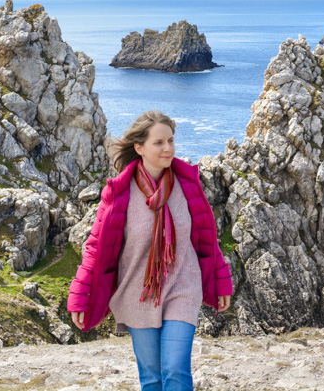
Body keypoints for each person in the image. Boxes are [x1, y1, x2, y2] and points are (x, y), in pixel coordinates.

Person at [67, 110, 233, 391]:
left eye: (171, 140)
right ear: (139, 147)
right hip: (137, 292)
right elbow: (95, 248)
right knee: (153, 378)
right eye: (159, 142)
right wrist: (79, 296)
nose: (168, 148)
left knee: (174, 370)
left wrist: (221, 282)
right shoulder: (118, 194)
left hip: (184, 285)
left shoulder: (188, 184)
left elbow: (206, 238)